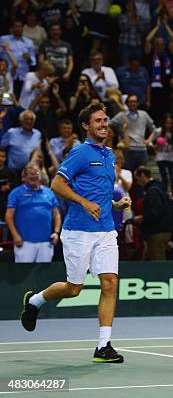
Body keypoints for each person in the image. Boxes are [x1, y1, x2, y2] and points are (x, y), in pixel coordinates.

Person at [20, 102, 131, 363]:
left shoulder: (109, 155)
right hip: (78, 231)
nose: (104, 124)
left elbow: (99, 193)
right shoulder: (80, 153)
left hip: (105, 231)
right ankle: (35, 301)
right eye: (98, 121)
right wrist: (83, 202)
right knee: (73, 289)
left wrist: (115, 204)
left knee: (110, 283)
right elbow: (58, 183)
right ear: (86, 126)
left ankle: (103, 346)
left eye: (105, 121)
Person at [6, 166, 61, 263]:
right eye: (31, 174)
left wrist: (56, 232)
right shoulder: (16, 193)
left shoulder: (49, 192)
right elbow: (9, 216)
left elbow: (56, 215)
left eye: (36, 173)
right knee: (23, 273)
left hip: (46, 241)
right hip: (24, 241)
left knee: (44, 274)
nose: (34, 176)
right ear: (24, 178)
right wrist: (15, 235)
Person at [133, 166, 173, 261]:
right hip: (163, 231)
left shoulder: (152, 191)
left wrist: (142, 218)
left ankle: (161, 276)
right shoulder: (159, 188)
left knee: (157, 262)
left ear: (143, 175)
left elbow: (155, 212)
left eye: (137, 179)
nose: (137, 182)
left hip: (157, 233)